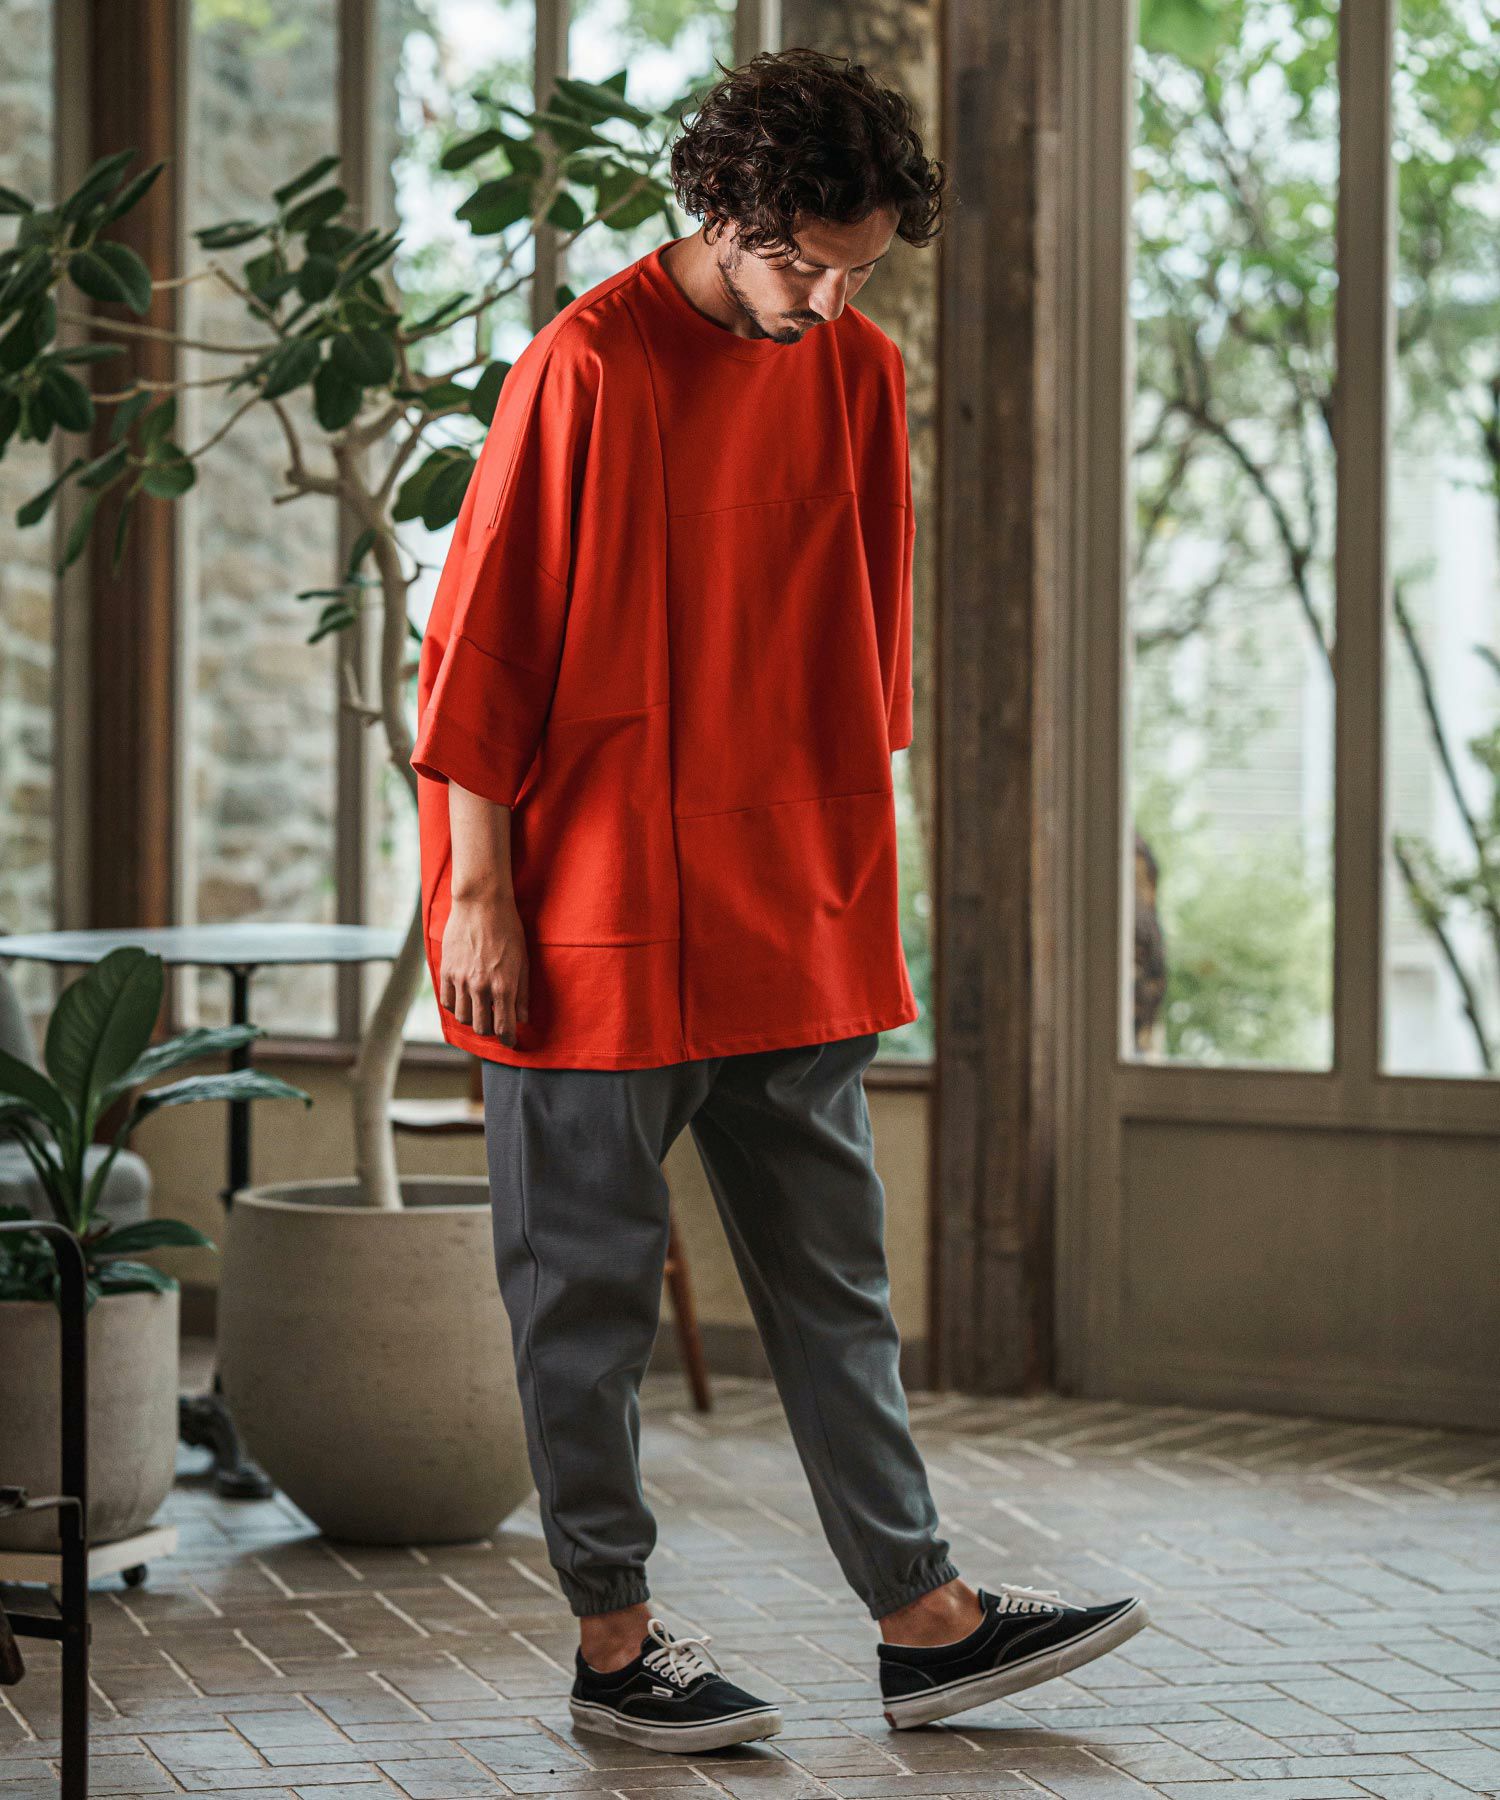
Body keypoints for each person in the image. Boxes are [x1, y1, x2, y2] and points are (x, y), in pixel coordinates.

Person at [410, 45, 1149, 1755]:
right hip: (590, 911)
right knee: (584, 1302)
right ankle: (616, 1647)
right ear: (722, 209)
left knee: (838, 1293)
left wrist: (847, 885)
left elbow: (859, 666)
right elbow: (480, 650)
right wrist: (479, 895)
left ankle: (925, 1622)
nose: (826, 300)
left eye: (858, 269)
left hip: (788, 907)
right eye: (801, 262)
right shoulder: (587, 365)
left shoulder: (859, 370)